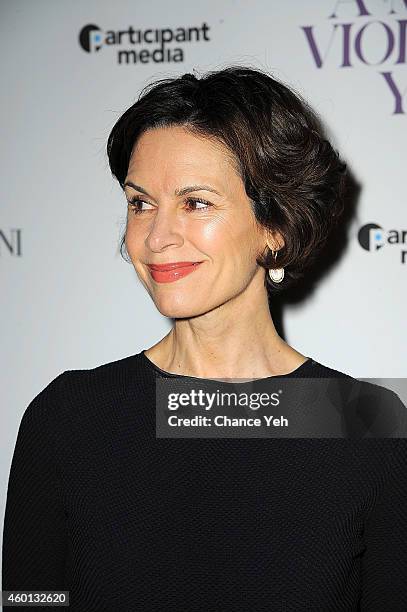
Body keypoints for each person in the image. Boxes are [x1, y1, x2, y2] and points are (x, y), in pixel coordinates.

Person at [2, 65, 407, 611]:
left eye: (196, 202)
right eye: (140, 202)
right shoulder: (70, 416)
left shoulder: (363, 423)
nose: (156, 236)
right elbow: (29, 601)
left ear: (276, 226)